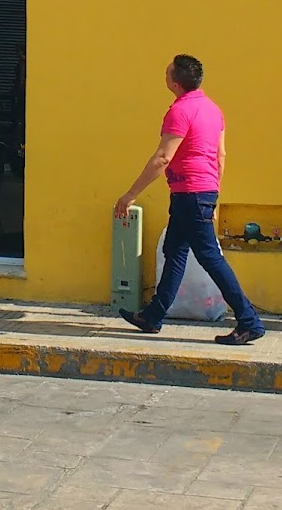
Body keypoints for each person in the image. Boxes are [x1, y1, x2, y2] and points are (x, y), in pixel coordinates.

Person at [113, 54, 265, 345]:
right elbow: (220, 156)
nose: (164, 74)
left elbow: (163, 158)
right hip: (200, 192)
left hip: (190, 194)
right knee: (175, 251)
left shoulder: (179, 111)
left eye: (167, 71)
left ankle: (249, 321)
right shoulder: (213, 110)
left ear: (175, 81)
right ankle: (153, 315)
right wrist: (213, 195)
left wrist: (130, 194)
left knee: (209, 257)